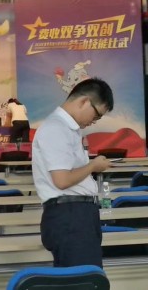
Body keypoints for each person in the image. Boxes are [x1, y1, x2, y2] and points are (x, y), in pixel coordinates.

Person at [32, 78, 113, 268]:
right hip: (70, 215)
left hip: (77, 214)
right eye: (96, 115)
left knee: (87, 277)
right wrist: (93, 166)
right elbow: (62, 180)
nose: (94, 121)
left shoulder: (69, 130)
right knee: (84, 278)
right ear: (84, 101)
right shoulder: (56, 128)